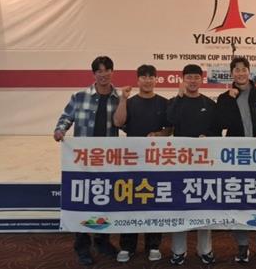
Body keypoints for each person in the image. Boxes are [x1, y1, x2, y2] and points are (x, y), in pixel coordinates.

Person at [53, 56, 120, 266]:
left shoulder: (119, 98)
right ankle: (82, 246)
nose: (104, 74)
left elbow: (126, 123)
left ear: (112, 72)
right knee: (82, 201)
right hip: (82, 161)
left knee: (105, 199)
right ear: (94, 74)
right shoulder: (79, 96)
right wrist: (60, 130)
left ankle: (102, 240)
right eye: (99, 71)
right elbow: (66, 117)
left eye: (107, 70)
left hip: (108, 160)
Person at [216, 56, 256, 264]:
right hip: (237, 157)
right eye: (236, 70)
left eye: (244, 69)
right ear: (231, 74)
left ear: (249, 72)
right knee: (239, 199)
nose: (240, 73)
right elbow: (221, 123)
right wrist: (229, 100)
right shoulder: (224, 97)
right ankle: (242, 245)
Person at [113, 64, 170, 263]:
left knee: (154, 202)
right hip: (132, 160)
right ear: (138, 80)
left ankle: (153, 245)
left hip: (156, 160)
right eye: (143, 77)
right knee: (131, 201)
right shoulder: (130, 102)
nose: (147, 80)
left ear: (156, 79)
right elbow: (118, 122)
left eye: (151, 77)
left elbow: (169, 129)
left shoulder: (164, 103)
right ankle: (127, 246)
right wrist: (123, 99)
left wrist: (159, 135)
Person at [166, 64, 219, 265]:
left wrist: (208, 136)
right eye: (189, 77)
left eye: (196, 77)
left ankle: (205, 249)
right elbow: (170, 120)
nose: (193, 81)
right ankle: (178, 251)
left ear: (201, 79)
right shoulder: (175, 101)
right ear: (183, 80)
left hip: (204, 163)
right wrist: (179, 97)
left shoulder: (209, 104)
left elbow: (216, 130)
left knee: (204, 205)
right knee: (180, 206)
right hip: (180, 162)